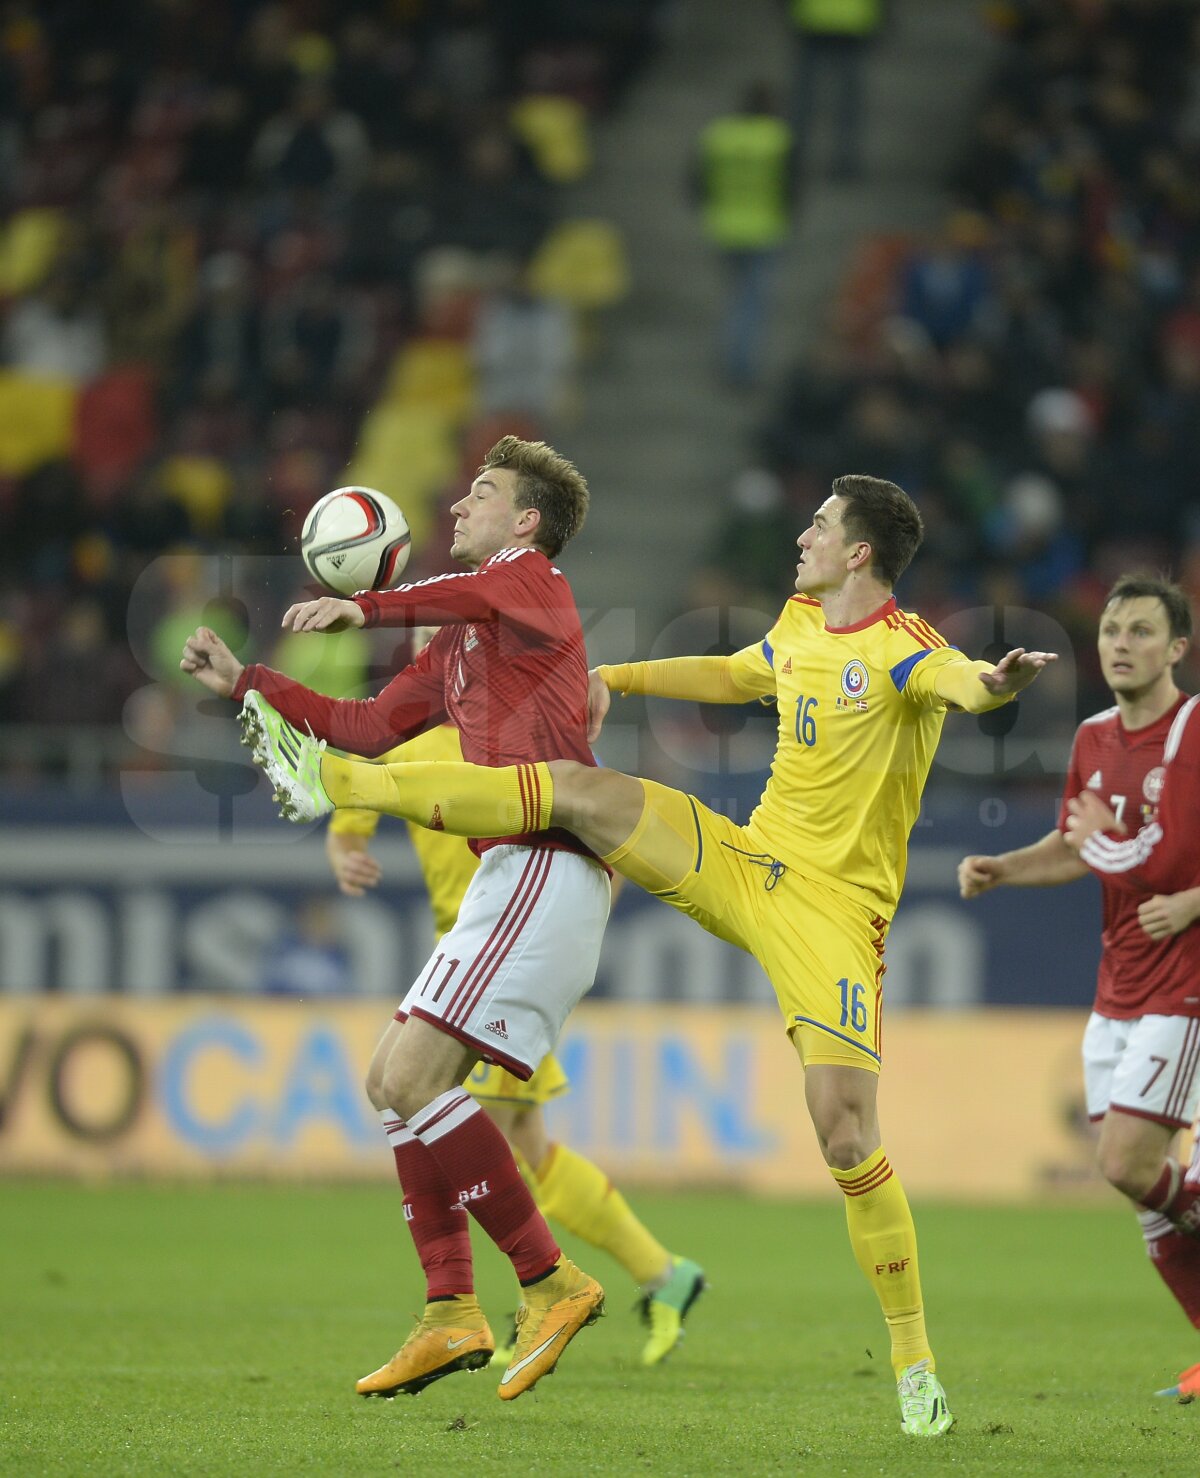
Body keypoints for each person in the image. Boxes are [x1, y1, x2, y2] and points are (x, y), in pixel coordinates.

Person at [242, 472, 1057, 1436]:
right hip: (748, 860)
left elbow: (958, 679)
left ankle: (915, 1360)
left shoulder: (904, 647)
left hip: (836, 915)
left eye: (821, 525)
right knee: (589, 795)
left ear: (860, 552)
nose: (803, 533)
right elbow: (734, 672)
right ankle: (346, 781)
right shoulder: (799, 625)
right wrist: (616, 678)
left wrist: (995, 682)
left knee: (844, 1136)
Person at [181, 436, 612, 1403]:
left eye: (482, 494)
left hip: (546, 861)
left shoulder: (535, 582)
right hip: (510, 872)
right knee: (388, 1082)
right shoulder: (465, 637)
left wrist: (365, 604)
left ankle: (550, 1282)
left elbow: (471, 595)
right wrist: (249, 682)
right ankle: (450, 1312)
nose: (458, 507)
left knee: (413, 1077)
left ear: (527, 521)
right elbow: (369, 726)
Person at [327, 709, 705, 1369]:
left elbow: (587, 819)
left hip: (511, 949)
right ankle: (656, 1275)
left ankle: (521, 1294)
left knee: (455, 1122)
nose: (432, 647)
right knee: (508, 1142)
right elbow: (350, 812)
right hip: (466, 951)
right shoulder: (407, 736)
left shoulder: (509, 729)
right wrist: (345, 852)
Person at [1042, 577, 1200, 1399]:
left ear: (1177, 648)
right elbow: (1078, 843)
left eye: (1141, 631)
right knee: (1145, 1197)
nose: (1120, 643)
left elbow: (1165, 862)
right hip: (1121, 988)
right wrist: (1007, 870)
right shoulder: (1094, 737)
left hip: (1188, 985)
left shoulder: (1196, 729)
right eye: (1110, 629)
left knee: (1130, 1163)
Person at [692, 82, 795, 388]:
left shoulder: (719, 135)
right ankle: (741, 367)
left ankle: (728, 357)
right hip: (765, 228)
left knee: (734, 297)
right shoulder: (778, 138)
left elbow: (696, 183)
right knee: (752, 301)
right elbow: (792, 187)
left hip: (724, 227)